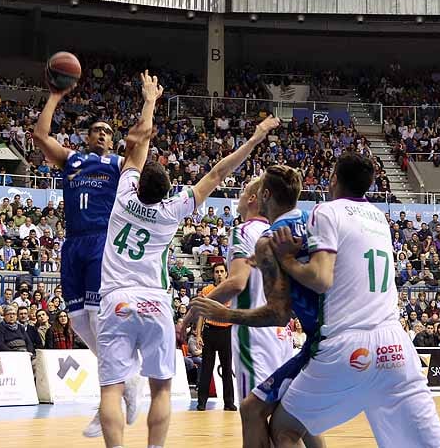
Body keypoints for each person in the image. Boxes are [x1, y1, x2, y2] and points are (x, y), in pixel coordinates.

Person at [95, 70, 280, 448]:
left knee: (111, 391)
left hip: (115, 298)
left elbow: (139, 145)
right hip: (153, 301)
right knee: (161, 389)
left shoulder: (124, 194)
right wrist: (256, 139)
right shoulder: (170, 211)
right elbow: (217, 171)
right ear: (166, 191)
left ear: (139, 181)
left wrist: (150, 101)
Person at [262, 152, 440, 447]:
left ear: (334, 178)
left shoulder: (326, 211)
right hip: (396, 345)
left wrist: (286, 259)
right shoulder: (379, 218)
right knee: (427, 441)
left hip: (348, 346)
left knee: (284, 428)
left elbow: (321, 279)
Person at [187, 164, 327, 448]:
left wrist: (198, 308)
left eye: (241, 195)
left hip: (256, 334)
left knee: (253, 413)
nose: (237, 199)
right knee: (293, 417)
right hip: (284, 335)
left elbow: (237, 282)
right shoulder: (291, 227)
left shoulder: (244, 231)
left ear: (254, 198)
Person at [32, 57, 133, 437]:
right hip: (72, 244)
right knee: (77, 322)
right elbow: (41, 137)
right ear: (87, 137)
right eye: (97, 130)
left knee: (97, 319)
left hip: (99, 244)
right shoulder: (72, 159)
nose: (103, 135)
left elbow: (141, 150)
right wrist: (55, 96)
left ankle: (110, 395)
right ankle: (125, 379)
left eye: (108, 131)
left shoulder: (118, 164)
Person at [194, 262, 236, 412]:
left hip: (227, 332)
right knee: (206, 369)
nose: (219, 274)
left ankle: (229, 402)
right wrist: (198, 334)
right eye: (216, 271)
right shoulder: (207, 290)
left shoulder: (232, 290)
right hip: (210, 332)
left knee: (227, 369)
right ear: (213, 274)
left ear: (226, 273)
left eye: (221, 271)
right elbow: (201, 313)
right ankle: (201, 403)